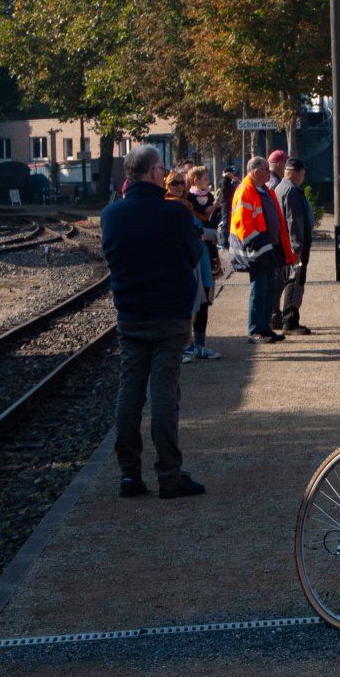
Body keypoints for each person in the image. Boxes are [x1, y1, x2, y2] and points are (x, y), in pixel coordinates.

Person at [101, 144, 206, 500]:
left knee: (129, 393)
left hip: (131, 315)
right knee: (164, 394)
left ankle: (130, 475)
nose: (165, 175)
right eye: (162, 170)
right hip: (170, 317)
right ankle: (169, 475)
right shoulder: (173, 215)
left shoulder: (111, 215)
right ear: (152, 173)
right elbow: (194, 252)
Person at [229, 155, 292, 343]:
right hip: (256, 249)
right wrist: (258, 243)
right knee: (259, 289)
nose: (269, 172)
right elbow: (243, 223)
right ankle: (255, 330)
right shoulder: (246, 190)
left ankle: (265, 328)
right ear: (256, 171)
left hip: (267, 246)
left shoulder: (263, 190)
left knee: (269, 288)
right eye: (266, 169)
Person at [166, 169, 220, 362]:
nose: (179, 186)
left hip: (202, 258)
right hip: (188, 261)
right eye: (174, 183)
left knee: (203, 302)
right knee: (190, 304)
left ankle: (198, 345)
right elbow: (191, 231)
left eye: (181, 182)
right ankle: (186, 346)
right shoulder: (170, 206)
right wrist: (208, 233)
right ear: (167, 185)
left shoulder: (189, 204)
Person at [276, 156, 314, 333]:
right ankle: (290, 321)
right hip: (294, 246)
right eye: (303, 172)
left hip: (285, 244)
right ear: (298, 173)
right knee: (295, 280)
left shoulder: (280, 188)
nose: (303, 176)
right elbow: (294, 221)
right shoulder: (292, 191)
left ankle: (284, 318)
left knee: (289, 280)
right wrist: (297, 247)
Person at [265, 150, 290, 330]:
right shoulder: (276, 183)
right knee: (278, 279)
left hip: (268, 237)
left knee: (275, 278)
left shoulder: (267, 182)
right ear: (280, 164)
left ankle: (272, 313)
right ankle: (273, 314)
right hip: (275, 238)